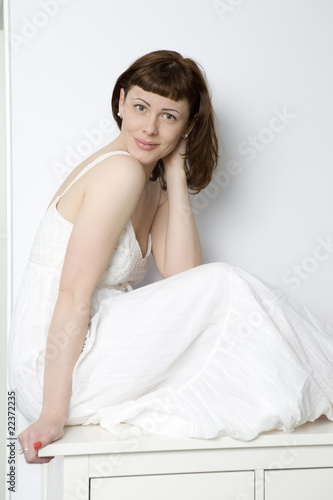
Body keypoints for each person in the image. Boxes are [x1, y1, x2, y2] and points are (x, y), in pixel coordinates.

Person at [9, 50, 333, 465]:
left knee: (222, 287)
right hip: (54, 368)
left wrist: (176, 172)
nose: (150, 128)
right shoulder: (120, 171)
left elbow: (185, 280)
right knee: (228, 282)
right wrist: (53, 413)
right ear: (121, 101)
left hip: (87, 351)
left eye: (169, 117)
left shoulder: (147, 181)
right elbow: (72, 294)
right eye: (141, 107)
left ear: (188, 125)